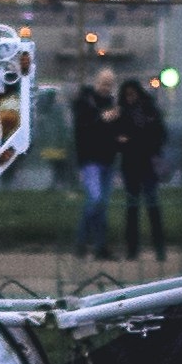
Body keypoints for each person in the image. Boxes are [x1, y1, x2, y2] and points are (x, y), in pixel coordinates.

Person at [115, 74, 170, 262]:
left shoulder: (148, 109)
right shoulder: (124, 112)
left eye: (132, 94)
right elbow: (118, 139)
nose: (130, 98)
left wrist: (132, 140)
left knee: (152, 206)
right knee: (133, 208)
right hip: (132, 165)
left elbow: (158, 135)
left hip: (145, 164)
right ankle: (133, 250)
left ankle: (159, 248)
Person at [70, 74, 120, 260]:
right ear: (96, 83)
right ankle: (85, 242)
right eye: (104, 83)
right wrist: (102, 119)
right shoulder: (85, 102)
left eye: (109, 84)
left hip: (106, 159)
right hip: (90, 159)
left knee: (101, 204)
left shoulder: (111, 104)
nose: (106, 87)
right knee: (96, 200)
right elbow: (83, 127)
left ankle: (96, 245)